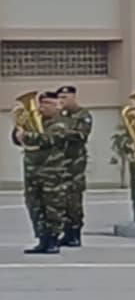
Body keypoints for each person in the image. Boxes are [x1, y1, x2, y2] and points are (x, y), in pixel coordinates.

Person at [15, 91, 63, 255]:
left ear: (57, 106)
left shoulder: (60, 123)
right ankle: (42, 239)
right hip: (32, 170)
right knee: (34, 205)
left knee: (52, 206)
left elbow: (47, 139)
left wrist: (26, 136)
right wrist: (18, 133)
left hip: (51, 171)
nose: (43, 107)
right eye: (41, 103)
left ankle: (53, 240)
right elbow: (17, 139)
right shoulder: (34, 120)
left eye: (48, 103)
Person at [51, 85, 92, 246]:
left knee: (74, 199)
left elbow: (82, 135)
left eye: (65, 97)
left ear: (74, 97)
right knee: (61, 200)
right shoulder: (58, 115)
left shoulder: (83, 114)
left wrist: (62, 131)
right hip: (59, 163)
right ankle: (66, 232)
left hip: (75, 165)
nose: (62, 101)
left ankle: (75, 233)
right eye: (60, 98)